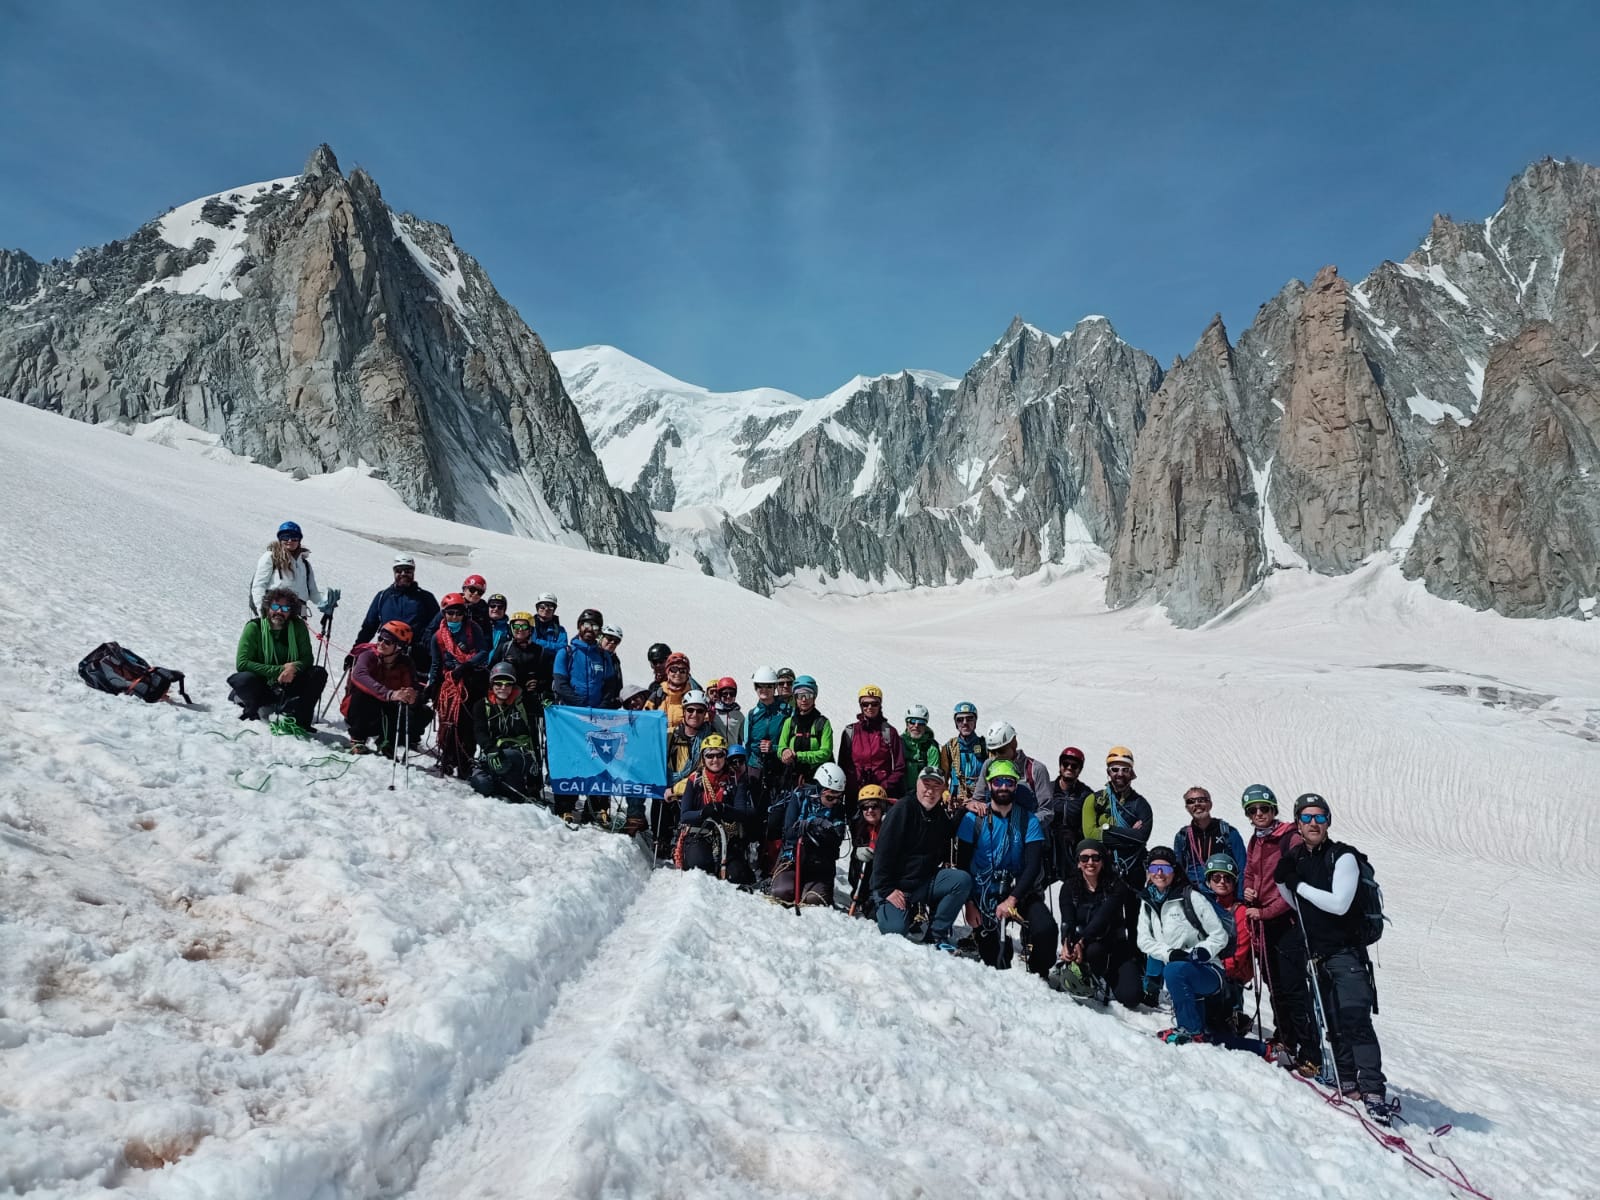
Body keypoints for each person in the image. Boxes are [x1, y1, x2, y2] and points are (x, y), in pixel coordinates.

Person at [1276, 794, 1392, 1123]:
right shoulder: (1298, 857)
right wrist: (1284, 880)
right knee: (1334, 1025)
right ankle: (1348, 1081)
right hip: (1317, 955)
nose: (1314, 823)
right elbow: (1293, 900)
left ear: (1328, 822)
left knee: (1356, 1020)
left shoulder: (1343, 857)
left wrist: (1295, 883)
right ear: (1298, 823)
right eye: (1307, 818)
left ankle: (1373, 1090)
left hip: (1346, 954)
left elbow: (1340, 903)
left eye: (1320, 817)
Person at [1238, 784, 1319, 1074]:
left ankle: (1311, 1053)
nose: (1259, 814)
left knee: (1295, 989)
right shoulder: (1256, 840)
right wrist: (1248, 889)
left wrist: (1264, 911)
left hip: (1286, 923)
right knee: (1276, 987)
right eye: (1253, 810)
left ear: (1274, 809)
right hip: (1264, 925)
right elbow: (1250, 871)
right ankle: (1286, 1039)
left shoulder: (1289, 838)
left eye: (1264, 808)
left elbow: (1294, 889)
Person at [956, 759, 1055, 976]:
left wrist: (1012, 900)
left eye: (1009, 782)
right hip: (984, 894)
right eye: (998, 782)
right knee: (994, 958)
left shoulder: (1028, 821)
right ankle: (1001, 946)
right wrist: (970, 903)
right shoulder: (972, 820)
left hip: (1019, 891)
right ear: (989, 784)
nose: (1003, 787)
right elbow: (962, 864)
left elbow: (1032, 866)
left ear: (1015, 786)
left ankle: (1038, 972)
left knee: (1046, 930)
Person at [872, 765, 973, 952]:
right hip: (895, 885)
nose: (930, 791)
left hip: (922, 882)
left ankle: (936, 934)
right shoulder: (903, 809)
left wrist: (964, 810)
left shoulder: (937, 813)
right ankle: (880, 905)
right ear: (917, 784)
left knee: (961, 880)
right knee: (895, 930)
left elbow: (947, 832)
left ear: (943, 789)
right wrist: (887, 889)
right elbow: (882, 853)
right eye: (926, 784)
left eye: (936, 786)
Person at [1136, 845, 1229, 1045]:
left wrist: (1202, 951)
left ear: (1174, 870)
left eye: (1165, 869)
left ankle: (1190, 1031)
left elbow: (1219, 935)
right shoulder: (1147, 902)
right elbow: (1143, 941)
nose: (1159, 873)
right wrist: (1169, 954)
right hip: (1181, 971)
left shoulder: (1191, 897)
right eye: (1154, 869)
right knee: (1214, 1038)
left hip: (1207, 969)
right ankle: (1257, 1049)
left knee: (1173, 971)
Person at [1052, 839, 1143, 1007]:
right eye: (1084, 858)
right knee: (1094, 950)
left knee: (1132, 997)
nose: (1090, 862)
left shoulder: (1116, 885)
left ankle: (1105, 975)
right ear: (1078, 862)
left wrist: (1081, 941)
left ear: (1103, 861)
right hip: (1087, 949)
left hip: (1115, 946)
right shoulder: (1069, 887)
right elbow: (1068, 920)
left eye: (1096, 857)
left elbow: (1103, 917)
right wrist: (1067, 943)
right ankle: (1084, 971)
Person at [228, 587, 329, 729]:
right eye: (275, 606)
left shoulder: (298, 627)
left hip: (288, 685)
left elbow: (307, 658)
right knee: (243, 679)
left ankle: (301, 720)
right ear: (268, 608)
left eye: (286, 608)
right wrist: (280, 670)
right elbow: (243, 663)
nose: (280, 612)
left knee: (318, 673)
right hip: (262, 684)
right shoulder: (254, 627)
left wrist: (294, 668)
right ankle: (253, 706)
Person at [676, 734, 761, 881]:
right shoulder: (694, 780)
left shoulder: (735, 780)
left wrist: (723, 809)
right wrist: (703, 812)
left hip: (728, 838)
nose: (715, 760)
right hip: (699, 835)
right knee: (700, 868)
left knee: (737, 876)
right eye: (710, 755)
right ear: (703, 758)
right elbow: (685, 814)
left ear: (725, 756)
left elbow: (742, 813)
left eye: (720, 755)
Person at [426, 591, 491, 778]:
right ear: (444, 614)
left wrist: (466, 666)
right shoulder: (438, 637)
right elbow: (436, 664)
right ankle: (447, 757)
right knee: (448, 721)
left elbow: (483, 651)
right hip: (450, 683)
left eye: (458, 613)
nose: (454, 617)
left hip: (471, 682)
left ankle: (465, 761)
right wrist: (432, 684)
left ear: (464, 614)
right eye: (450, 613)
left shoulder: (473, 629)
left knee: (466, 723)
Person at [771, 761, 851, 905]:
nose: (834, 802)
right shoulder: (799, 797)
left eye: (838, 797)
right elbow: (789, 832)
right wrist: (814, 829)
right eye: (830, 797)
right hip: (793, 859)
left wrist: (814, 825)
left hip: (820, 863)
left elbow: (836, 837)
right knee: (782, 892)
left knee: (814, 899)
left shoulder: (838, 808)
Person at [345, 619, 429, 755]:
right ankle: (358, 739)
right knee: (362, 695)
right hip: (364, 712)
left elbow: (413, 687)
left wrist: (412, 696)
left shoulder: (406, 663)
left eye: (387, 642)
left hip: (388, 712)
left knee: (423, 711)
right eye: (380, 639)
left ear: (399, 647)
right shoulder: (368, 655)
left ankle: (388, 742)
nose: (381, 644)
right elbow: (359, 675)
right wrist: (389, 694)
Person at [353, 555, 439, 677]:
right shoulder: (383, 596)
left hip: (417, 657)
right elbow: (369, 626)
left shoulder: (426, 598)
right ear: (394, 572)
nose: (403, 574)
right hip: (386, 654)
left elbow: (436, 628)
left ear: (413, 572)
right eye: (399, 570)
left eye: (408, 570)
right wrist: (356, 650)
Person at [469, 662, 544, 802]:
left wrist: (547, 700)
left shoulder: (524, 702)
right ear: (492, 684)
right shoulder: (481, 705)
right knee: (482, 784)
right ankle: (506, 786)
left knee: (509, 756)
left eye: (508, 684)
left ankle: (516, 789)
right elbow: (479, 731)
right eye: (498, 683)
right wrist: (491, 750)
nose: (503, 687)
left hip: (521, 754)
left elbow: (543, 710)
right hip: (494, 753)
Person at [1082, 746, 1152, 886]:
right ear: (1108, 772)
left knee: (1133, 907)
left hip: (1134, 868)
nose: (1119, 774)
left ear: (1132, 773)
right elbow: (1089, 834)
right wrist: (1129, 834)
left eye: (1125, 770)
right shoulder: (1094, 800)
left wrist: (1107, 829)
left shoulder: (1141, 804)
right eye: (1115, 769)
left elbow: (1141, 837)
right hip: (1104, 867)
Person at [1203, 853, 1255, 1035]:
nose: (1222, 882)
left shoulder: (1240, 911)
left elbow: (1240, 950)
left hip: (1230, 975)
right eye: (1216, 877)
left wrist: (1217, 969)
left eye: (1227, 878)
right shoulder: (1203, 907)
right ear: (1209, 881)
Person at [839, 685, 905, 810]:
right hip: (856, 794)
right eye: (865, 704)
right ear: (860, 706)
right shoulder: (850, 732)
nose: (870, 707)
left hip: (882, 794)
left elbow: (899, 766)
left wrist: (885, 785)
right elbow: (843, 765)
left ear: (880, 705)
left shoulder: (889, 732)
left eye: (874, 704)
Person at [1173, 787, 1249, 890]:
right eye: (1191, 801)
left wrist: (1240, 897)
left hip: (1224, 892)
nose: (1197, 804)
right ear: (1187, 807)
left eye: (1201, 800)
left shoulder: (1228, 832)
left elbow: (1243, 867)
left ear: (1210, 804)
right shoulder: (1182, 837)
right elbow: (1178, 870)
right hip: (1195, 894)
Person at [250, 521, 332, 616]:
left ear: (299, 540)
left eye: (294, 537)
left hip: (298, 613)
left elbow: (312, 593)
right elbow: (259, 585)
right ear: (280, 539)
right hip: (276, 612)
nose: (290, 540)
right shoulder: (271, 557)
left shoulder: (305, 564)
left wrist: (326, 602)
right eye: (285, 536)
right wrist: (262, 611)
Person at [552, 608, 622, 709]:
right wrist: (582, 706)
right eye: (586, 624)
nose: (590, 629)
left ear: (599, 632)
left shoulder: (604, 656)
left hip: (597, 713)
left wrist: (601, 707)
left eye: (595, 626)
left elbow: (609, 687)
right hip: (571, 712)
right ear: (579, 626)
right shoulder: (565, 653)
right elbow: (561, 685)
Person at [776, 675, 834, 795]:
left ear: (814, 697)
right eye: (799, 695)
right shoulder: (789, 722)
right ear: (795, 697)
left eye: (808, 695)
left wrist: (798, 756)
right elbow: (781, 747)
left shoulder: (822, 723)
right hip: (792, 780)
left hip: (817, 781)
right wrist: (784, 752)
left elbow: (826, 753)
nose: (804, 699)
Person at [1043, 747, 1093, 883]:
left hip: (1073, 850)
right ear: (1060, 766)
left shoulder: (1086, 795)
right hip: (1048, 848)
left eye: (1074, 765)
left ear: (1079, 769)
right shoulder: (1047, 789)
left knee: (1076, 891)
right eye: (1066, 764)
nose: (1069, 768)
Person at [976, 720, 1051, 810]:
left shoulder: (1036, 770)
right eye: (992, 752)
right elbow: (978, 799)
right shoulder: (988, 765)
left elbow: (1046, 810)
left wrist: (1030, 823)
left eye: (1001, 751)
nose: (997, 756)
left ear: (1013, 743)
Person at [743, 666, 791, 805]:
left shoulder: (787, 711)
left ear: (775, 687)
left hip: (779, 767)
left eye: (768, 686)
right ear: (755, 687)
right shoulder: (752, 714)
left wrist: (774, 748)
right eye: (760, 686)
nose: (764, 690)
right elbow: (747, 744)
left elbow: (790, 740)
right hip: (755, 768)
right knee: (756, 809)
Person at [490, 611, 554, 702]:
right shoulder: (504, 648)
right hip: (507, 696)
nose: (520, 629)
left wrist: (538, 684)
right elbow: (491, 671)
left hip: (531, 698)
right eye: (516, 626)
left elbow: (548, 677)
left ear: (530, 629)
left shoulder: (540, 651)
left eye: (524, 626)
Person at [847, 784, 888, 916]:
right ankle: (862, 897)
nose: (869, 810)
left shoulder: (892, 824)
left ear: (882, 807)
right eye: (865, 807)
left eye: (874, 806)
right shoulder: (859, 825)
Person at [939, 701, 987, 801]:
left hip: (980, 801)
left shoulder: (985, 747)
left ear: (975, 721)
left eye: (969, 718)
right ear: (956, 723)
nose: (965, 723)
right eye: (960, 720)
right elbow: (943, 779)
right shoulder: (949, 748)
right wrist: (946, 795)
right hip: (956, 801)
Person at [900, 705, 941, 798]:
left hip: (923, 795)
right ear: (907, 723)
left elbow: (932, 775)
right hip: (900, 794)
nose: (916, 726)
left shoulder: (931, 747)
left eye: (921, 723)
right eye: (912, 722)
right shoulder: (899, 743)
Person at [646, 651, 694, 728]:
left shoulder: (693, 696)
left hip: (684, 739)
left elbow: (703, 720)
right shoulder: (658, 694)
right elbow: (645, 718)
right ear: (668, 672)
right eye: (674, 669)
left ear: (687, 674)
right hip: (660, 738)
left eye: (682, 670)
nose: (678, 673)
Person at [712, 676, 745, 746]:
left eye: (732, 693)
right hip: (716, 753)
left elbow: (744, 738)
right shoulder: (713, 712)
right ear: (719, 694)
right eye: (725, 694)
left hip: (732, 753)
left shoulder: (739, 715)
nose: (728, 696)